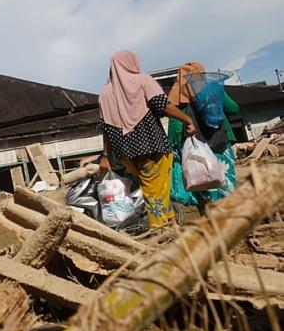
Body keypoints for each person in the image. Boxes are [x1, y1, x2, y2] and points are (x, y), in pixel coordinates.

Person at [98, 50, 196, 229]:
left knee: (157, 187)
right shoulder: (143, 80)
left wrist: (106, 154)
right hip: (151, 147)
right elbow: (162, 105)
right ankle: (159, 230)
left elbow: (105, 127)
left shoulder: (104, 93)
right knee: (154, 190)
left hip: (125, 153)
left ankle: (171, 224)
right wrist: (187, 120)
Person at [167, 62, 240, 208]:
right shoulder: (212, 88)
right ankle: (231, 218)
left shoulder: (175, 96)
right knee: (225, 184)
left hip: (194, 150)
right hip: (220, 144)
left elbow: (173, 133)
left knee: (201, 184)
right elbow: (233, 109)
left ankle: (209, 219)